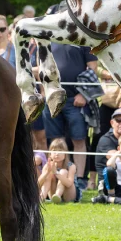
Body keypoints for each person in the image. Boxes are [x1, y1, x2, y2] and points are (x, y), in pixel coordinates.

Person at [42, 44, 98, 190]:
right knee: (55, 140)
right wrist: (44, 92)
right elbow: (41, 65)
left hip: (75, 99)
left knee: (79, 139)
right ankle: (56, 177)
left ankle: (79, 180)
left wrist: (83, 94)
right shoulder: (48, 38)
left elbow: (92, 67)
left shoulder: (82, 39)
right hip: (52, 98)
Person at [38, 138, 79, 203]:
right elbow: (38, 184)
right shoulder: (47, 165)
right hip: (52, 194)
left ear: (65, 154)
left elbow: (69, 184)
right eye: (54, 151)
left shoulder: (71, 166)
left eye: (60, 151)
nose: (57, 154)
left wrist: (56, 173)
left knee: (63, 172)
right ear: (50, 154)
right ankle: (42, 197)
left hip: (69, 194)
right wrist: (46, 173)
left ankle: (58, 195)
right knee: (49, 174)